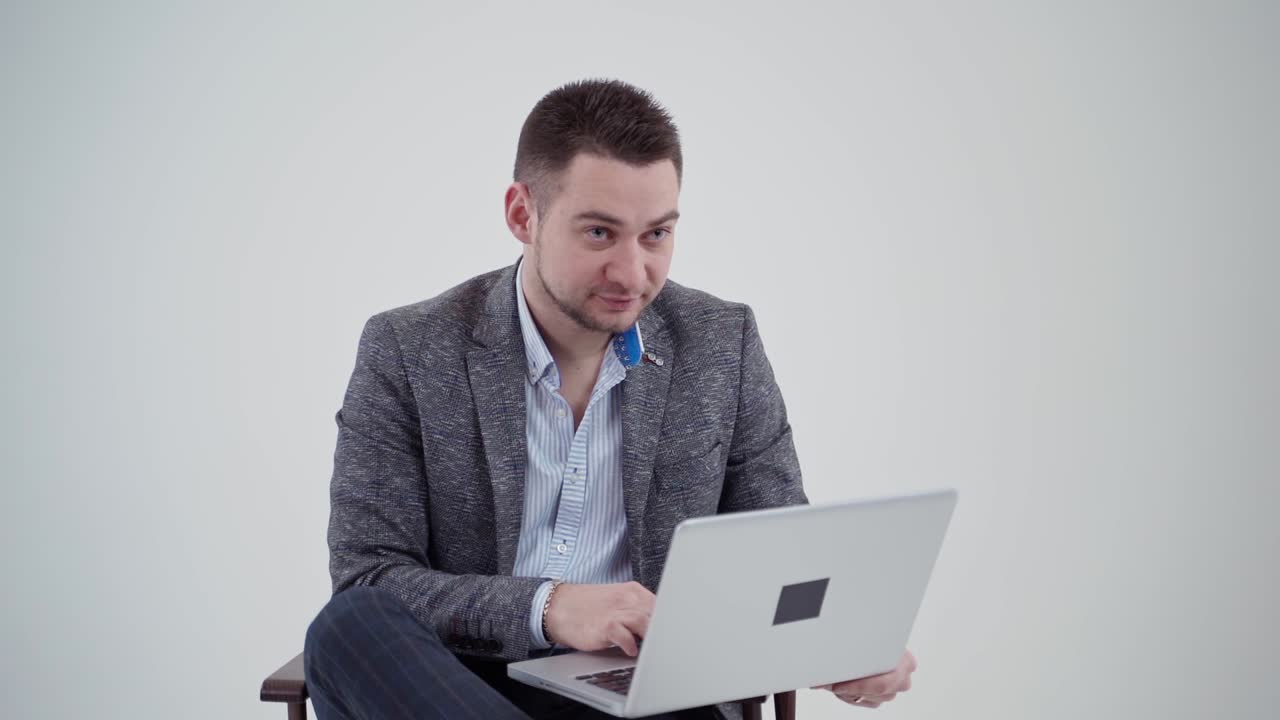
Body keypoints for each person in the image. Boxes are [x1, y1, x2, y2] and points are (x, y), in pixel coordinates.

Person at [303, 78, 917, 720]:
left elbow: (780, 561)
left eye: (657, 235)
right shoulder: (408, 347)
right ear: (522, 215)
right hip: (462, 686)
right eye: (599, 233)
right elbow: (371, 575)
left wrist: (847, 644)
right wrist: (550, 607)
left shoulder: (721, 344)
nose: (632, 274)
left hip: (651, 693)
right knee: (349, 624)